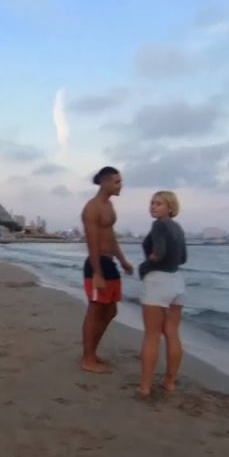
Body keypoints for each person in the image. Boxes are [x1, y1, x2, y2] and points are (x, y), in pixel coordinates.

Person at [80, 166, 134, 374]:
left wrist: (122, 260)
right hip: (97, 265)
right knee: (95, 311)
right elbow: (92, 242)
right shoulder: (92, 208)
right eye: (117, 182)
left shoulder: (109, 205)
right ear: (104, 182)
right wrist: (97, 273)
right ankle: (87, 359)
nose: (120, 185)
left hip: (109, 263)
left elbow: (110, 237)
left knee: (111, 311)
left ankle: (91, 352)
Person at [137, 190, 188, 397]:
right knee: (172, 333)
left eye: (159, 203)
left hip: (158, 281)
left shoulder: (158, 225)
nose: (153, 206)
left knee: (152, 336)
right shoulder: (178, 228)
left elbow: (158, 253)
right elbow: (183, 258)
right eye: (152, 202)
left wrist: (144, 266)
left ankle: (145, 387)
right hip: (177, 281)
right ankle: (169, 382)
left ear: (170, 207)